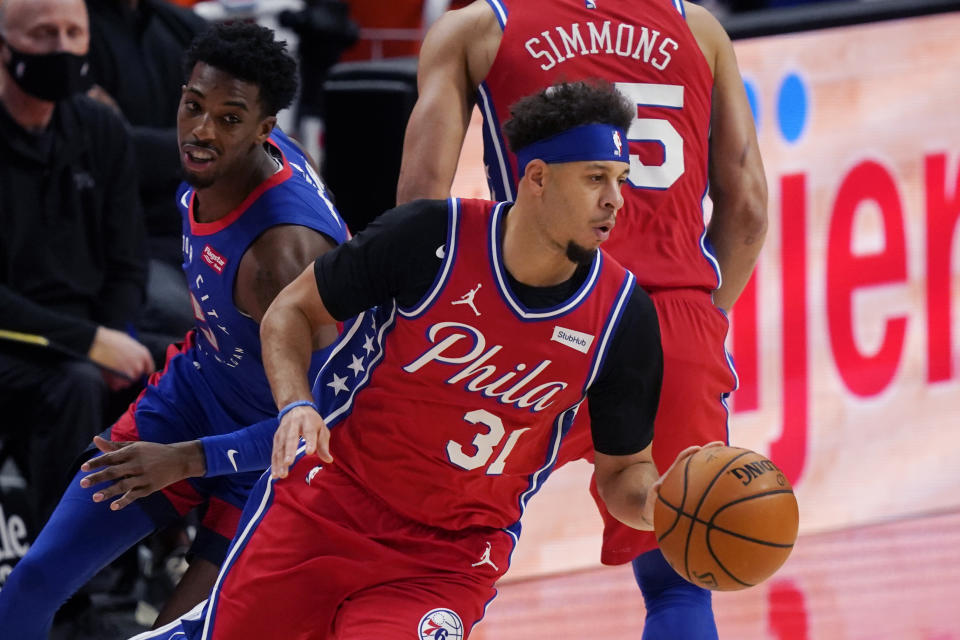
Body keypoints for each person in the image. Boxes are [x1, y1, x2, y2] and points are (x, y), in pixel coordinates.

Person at [132, 80, 715, 640]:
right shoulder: (430, 237)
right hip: (328, 505)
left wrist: (660, 506)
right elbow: (290, 311)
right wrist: (296, 406)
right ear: (537, 178)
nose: (614, 199)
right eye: (595, 178)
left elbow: (622, 471)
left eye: (619, 179)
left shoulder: (622, 315)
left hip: (448, 556)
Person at [396, 1, 768, 637]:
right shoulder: (698, 27)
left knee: (423, 558)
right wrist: (698, 319)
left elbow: (419, 209)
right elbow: (749, 210)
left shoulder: (480, 28)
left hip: (534, 315)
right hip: (668, 315)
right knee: (677, 577)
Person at [0, 21, 349, 638]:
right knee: (33, 582)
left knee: (175, 633)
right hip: (189, 401)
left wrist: (187, 461)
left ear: (265, 131)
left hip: (270, 462)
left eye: (229, 118)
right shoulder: (213, 166)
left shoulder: (283, 258)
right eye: (193, 107)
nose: (202, 131)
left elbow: (317, 426)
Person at [0, 0, 155, 528]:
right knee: (75, 385)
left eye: (73, 32)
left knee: (184, 370)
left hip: (90, 333)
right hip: (18, 338)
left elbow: (128, 259)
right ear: (5, 44)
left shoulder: (100, 129)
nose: (62, 48)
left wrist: (112, 337)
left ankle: (170, 555)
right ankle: (72, 590)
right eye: (43, 34)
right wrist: (91, 343)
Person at [84, 0, 209, 363]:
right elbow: (96, 149)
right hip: (116, 250)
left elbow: (243, 138)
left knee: (293, 299)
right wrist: (201, 144)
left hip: (201, 232)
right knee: (189, 316)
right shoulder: (68, 31)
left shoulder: (187, 29)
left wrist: (131, 140)